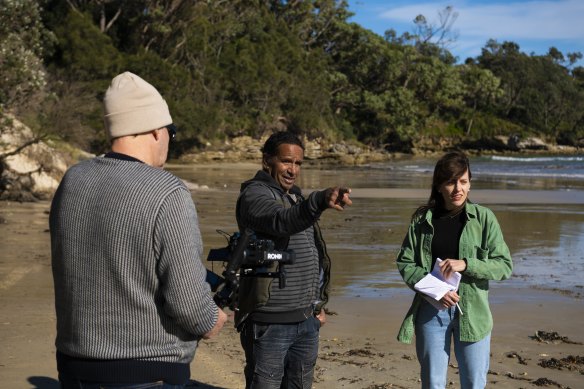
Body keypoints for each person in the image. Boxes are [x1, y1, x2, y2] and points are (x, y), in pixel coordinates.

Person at [50, 71, 227, 389]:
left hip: (72, 367)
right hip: (147, 372)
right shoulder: (166, 191)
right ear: (157, 130)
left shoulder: (72, 181)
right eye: (172, 133)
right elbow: (189, 305)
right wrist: (213, 319)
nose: (170, 143)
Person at [235, 131, 352, 389]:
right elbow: (281, 222)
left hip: (306, 321)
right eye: (286, 161)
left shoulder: (295, 198)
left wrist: (317, 305)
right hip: (269, 322)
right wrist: (318, 201)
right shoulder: (255, 195)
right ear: (267, 161)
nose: (293, 170)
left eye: (298, 163)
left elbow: (314, 256)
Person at [396, 151, 513, 389]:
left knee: (473, 383)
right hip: (431, 310)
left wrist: (467, 263)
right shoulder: (421, 221)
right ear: (439, 185)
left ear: (470, 184)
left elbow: (504, 265)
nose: (457, 188)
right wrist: (437, 290)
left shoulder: (484, 218)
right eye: (450, 181)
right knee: (433, 383)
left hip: (474, 313)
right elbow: (406, 262)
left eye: (463, 181)